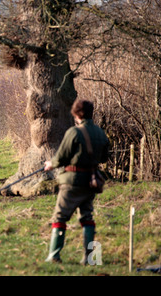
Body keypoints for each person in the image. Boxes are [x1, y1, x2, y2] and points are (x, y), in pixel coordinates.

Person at [43, 99, 110, 264]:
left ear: (77, 114)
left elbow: (61, 157)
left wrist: (50, 164)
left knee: (59, 217)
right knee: (87, 217)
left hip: (72, 183)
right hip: (90, 183)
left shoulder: (74, 132)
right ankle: (89, 258)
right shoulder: (101, 133)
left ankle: (54, 256)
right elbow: (104, 157)